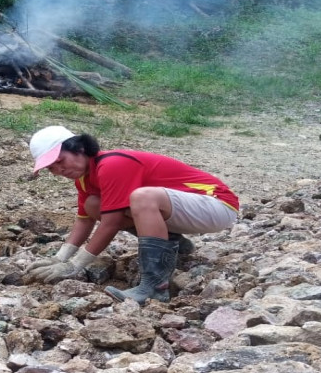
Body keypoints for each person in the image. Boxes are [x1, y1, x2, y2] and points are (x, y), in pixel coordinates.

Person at [25, 125, 239, 304]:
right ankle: (174, 242)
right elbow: (85, 218)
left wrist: (76, 265)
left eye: (60, 161)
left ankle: (154, 286)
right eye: (51, 168)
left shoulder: (112, 164)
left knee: (142, 198)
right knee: (93, 204)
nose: (59, 170)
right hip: (187, 212)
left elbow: (111, 222)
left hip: (217, 205)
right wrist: (59, 258)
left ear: (79, 148)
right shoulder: (84, 178)